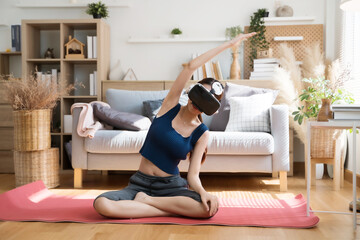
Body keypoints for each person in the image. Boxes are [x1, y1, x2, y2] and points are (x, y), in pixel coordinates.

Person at [93, 32, 256, 219]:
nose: (198, 103)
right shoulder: (170, 105)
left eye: (207, 101)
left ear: (211, 109)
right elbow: (190, 67)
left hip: (171, 188)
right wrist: (228, 45)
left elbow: (193, 176)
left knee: (206, 209)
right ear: (193, 91)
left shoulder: (202, 133)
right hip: (139, 184)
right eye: (200, 94)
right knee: (102, 204)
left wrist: (203, 192)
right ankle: (166, 208)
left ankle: (148, 203)